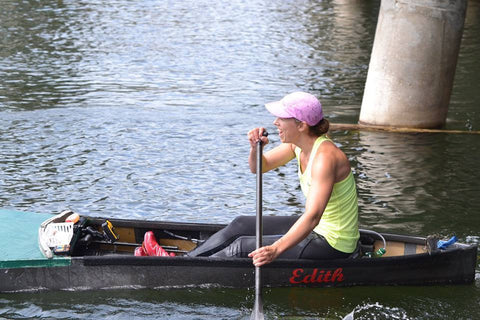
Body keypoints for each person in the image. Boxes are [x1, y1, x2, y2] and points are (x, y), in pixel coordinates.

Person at [188, 92, 359, 267]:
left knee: (241, 248)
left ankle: (183, 271)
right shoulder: (298, 145)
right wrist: (255, 148)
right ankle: (182, 262)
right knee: (240, 224)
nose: (275, 122)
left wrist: (275, 249)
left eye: (282, 118)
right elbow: (259, 167)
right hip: (316, 227)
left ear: (301, 125)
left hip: (334, 242)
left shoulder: (325, 158)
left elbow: (313, 216)